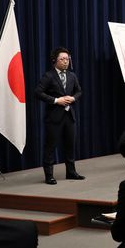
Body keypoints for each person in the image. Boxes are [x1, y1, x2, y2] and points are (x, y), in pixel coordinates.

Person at [34, 47, 84, 185]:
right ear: (54, 60)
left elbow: (79, 91)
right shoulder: (48, 76)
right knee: (50, 147)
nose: (65, 62)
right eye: (62, 59)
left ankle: (71, 172)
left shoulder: (72, 76)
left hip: (69, 116)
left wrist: (73, 98)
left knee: (70, 145)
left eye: (67, 59)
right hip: (54, 117)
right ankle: (49, 175)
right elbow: (38, 92)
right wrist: (56, 100)